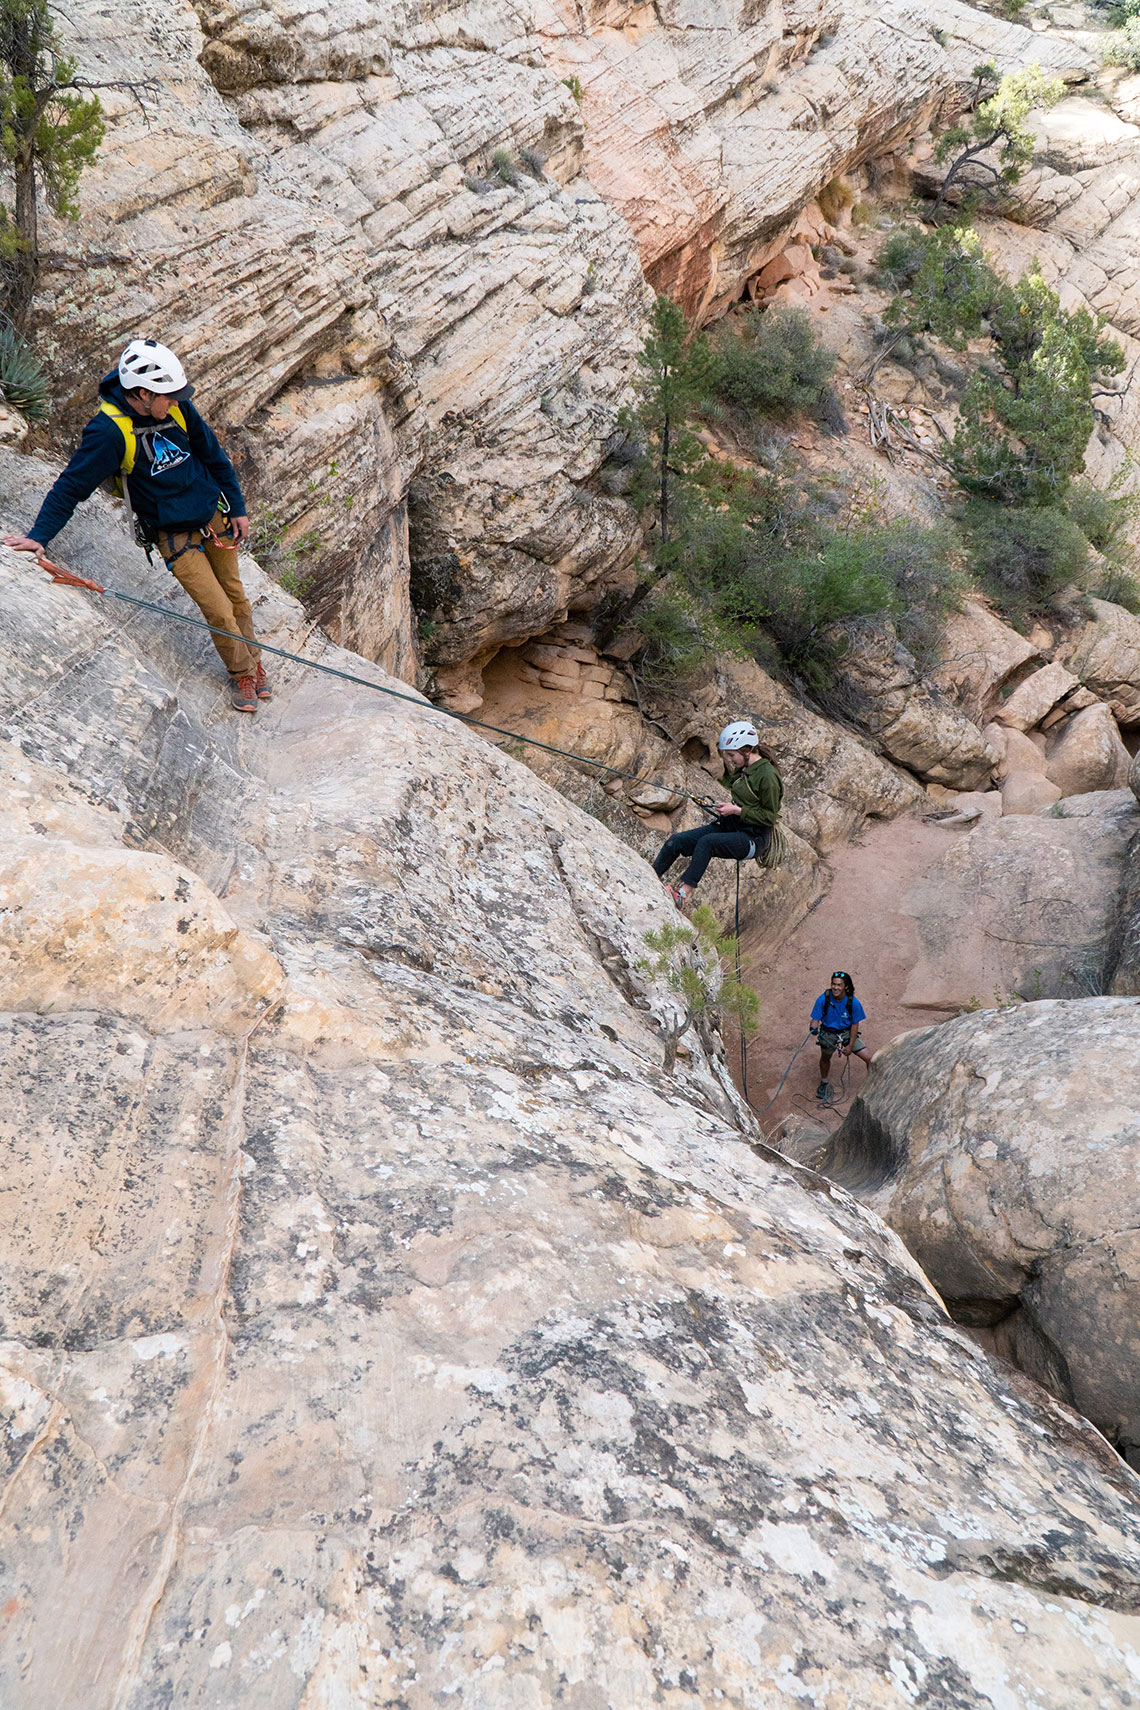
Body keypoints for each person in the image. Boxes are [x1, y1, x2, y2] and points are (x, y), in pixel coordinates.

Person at [3, 338, 270, 714]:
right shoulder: (108, 434)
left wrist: (237, 507)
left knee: (237, 597)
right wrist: (38, 536)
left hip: (213, 517)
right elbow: (71, 487)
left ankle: (255, 662)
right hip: (174, 535)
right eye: (168, 396)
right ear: (143, 393)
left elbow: (214, 455)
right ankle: (241, 671)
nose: (176, 402)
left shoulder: (177, 410)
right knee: (220, 610)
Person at [654, 721, 782, 906]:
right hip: (731, 826)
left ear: (746, 750)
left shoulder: (768, 776)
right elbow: (747, 800)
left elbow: (769, 817)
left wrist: (736, 810)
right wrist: (728, 809)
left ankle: (682, 895)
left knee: (708, 842)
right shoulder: (744, 769)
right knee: (677, 841)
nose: (729, 760)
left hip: (753, 839)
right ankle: (651, 875)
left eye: (731, 755)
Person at [810, 971, 872, 1103]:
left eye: (839, 985)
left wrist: (850, 1045)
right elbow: (815, 1019)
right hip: (828, 1032)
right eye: (833, 984)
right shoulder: (824, 998)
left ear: (846, 987)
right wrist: (813, 1028)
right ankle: (824, 1082)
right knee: (825, 1057)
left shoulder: (853, 1002)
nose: (835, 987)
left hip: (846, 1032)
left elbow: (855, 1025)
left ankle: (872, 1085)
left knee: (869, 1058)